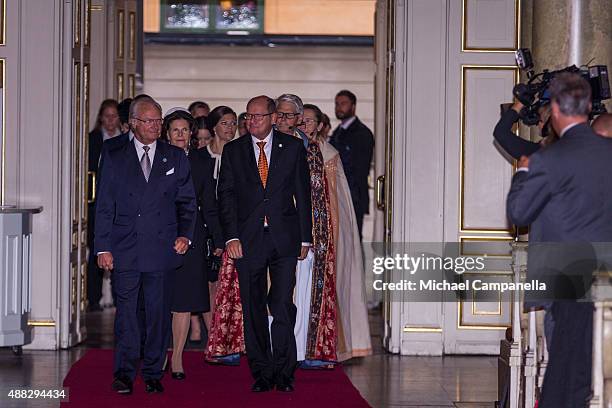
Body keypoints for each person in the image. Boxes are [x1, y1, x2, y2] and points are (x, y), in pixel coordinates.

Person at [506, 73, 612, 408]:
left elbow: (519, 214)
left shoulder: (548, 160)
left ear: (555, 108)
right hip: (604, 278)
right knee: (594, 368)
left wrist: (523, 172)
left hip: (563, 280)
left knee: (565, 369)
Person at [95, 97, 197, 395]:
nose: (157, 126)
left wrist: (184, 235)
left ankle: (153, 371)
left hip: (162, 249)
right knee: (127, 315)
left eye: (158, 120)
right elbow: (104, 205)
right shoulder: (115, 154)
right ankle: (125, 372)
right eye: (150, 121)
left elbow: (187, 202)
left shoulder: (175, 157)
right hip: (124, 248)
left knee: (157, 314)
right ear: (134, 124)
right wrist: (103, 247)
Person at [217, 95, 312, 393]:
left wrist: (305, 237)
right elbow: (226, 196)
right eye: (248, 116)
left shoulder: (293, 148)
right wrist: (231, 237)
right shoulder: (233, 151)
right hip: (248, 240)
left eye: (258, 116)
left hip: (285, 238)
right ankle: (262, 371)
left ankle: (285, 371)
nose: (252, 121)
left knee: (283, 303)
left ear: (273, 117)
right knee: (254, 306)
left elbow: (303, 193)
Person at [294, 104, 372, 368]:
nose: (303, 124)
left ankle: (321, 346)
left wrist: (327, 235)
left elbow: (336, 200)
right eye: (300, 119)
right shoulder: (290, 149)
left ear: (319, 125)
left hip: (323, 231)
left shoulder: (328, 154)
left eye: (309, 120)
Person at [161, 108, 223, 380]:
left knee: (184, 301)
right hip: (158, 237)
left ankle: (176, 359)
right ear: (166, 133)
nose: (180, 134)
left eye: (185, 130)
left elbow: (210, 203)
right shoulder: (156, 159)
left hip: (193, 238)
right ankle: (156, 353)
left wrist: (219, 239)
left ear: (192, 134)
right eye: (175, 130)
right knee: (159, 299)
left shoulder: (202, 162)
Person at [188, 106, 237, 344]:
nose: (230, 128)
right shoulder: (199, 158)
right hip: (207, 228)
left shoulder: (241, 153)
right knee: (210, 282)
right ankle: (213, 334)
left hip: (235, 226)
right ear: (215, 126)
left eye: (234, 123)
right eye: (225, 123)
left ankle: (229, 333)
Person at [87, 99, 121, 311]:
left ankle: (119, 297)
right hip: (96, 203)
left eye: (114, 116)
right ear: (101, 117)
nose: (110, 120)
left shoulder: (124, 141)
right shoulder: (92, 140)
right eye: (107, 116)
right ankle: (93, 298)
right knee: (97, 251)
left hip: (119, 204)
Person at [329, 90, 374, 240]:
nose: (339, 107)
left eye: (343, 103)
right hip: (338, 195)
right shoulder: (338, 132)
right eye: (337, 104)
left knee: (352, 240)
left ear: (353, 106)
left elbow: (359, 169)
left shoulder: (362, 134)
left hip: (352, 196)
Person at [493, 101, 557, 160]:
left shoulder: (541, 152)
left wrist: (520, 102)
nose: (538, 124)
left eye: (541, 121)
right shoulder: (561, 148)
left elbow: (501, 132)